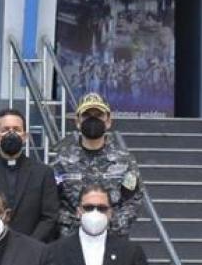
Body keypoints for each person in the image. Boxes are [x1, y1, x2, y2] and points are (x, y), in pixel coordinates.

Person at [51, 92, 143, 237]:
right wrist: (78, 224)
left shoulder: (124, 161)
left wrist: (109, 224)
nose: (93, 120)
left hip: (113, 238)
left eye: (99, 115)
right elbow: (52, 201)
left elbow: (133, 200)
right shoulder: (61, 160)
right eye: (87, 115)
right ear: (78, 121)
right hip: (71, 238)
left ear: (108, 121)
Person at [0, 108, 58, 242]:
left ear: (25, 136)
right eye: (5, 130)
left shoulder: (43, 173)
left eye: (16, 129)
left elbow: (50, 217)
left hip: (33, 251)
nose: (11, 133)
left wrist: (29, 246)